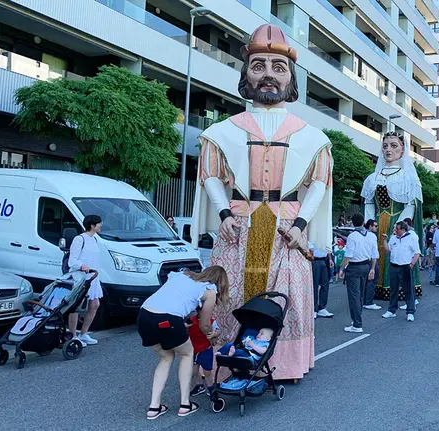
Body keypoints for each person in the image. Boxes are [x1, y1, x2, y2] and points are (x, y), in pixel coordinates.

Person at [190, 24, 332, 381]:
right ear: (246, 74)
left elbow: (319, 183)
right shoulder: (222, 131)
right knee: (231, 296)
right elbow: (210, 175)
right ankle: (229, 362)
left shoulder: (313, 137)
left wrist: (301, 227)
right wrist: (223, 214)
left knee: (285, 297)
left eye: (278, 67)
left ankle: (283, 365)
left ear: (291, 79)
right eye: (259, 66)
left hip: (286, 230)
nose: (268, 74)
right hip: (238, 225)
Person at [138, 266, 229, 419]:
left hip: (144, 316)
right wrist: (212, 337)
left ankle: (154, 407)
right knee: (187, 354)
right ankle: (185, 404)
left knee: (166, 357)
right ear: (221, 283)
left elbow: (170, 298)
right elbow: (205, 325)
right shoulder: (210, 290)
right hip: (169, 319)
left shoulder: (182, 275)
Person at [361, 131, 424, 302]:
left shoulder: (407, 177)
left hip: (397, 222)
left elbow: (411, 204)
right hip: (377, 223)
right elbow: (368, 203)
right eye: (385, 146)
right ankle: (375, 289)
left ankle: (402, 292)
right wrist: (369, 225)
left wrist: (399, 227)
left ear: (403, 150)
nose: (389, 150)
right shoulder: (372, 178)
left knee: (397, 257)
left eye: (394, 146)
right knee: (376, 254)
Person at [67, 214, 104, 347]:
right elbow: (72, 260)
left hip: (93, 278)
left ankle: (83, 333)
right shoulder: (79, 239)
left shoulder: (94, 240)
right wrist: (82, 265)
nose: (101, 225)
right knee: (76, 306)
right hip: (81, 278)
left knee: (94, 305)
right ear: (92, 225)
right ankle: (73, 336)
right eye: (99, 223)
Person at [338, 214, 378, 333]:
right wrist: (372, 269)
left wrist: (341, 268)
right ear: (363, 222)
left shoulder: (352, 236)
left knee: (354, 296)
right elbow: (374, 254)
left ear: (353, 223)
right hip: (366, 265)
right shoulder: (371, 236)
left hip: (355, 267)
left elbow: (348, 255)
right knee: (360, 295)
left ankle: (357, 324)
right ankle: (357, 320)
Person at [381, 221, 421, 322]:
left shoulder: (411, 237)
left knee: (408, 290)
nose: (395, 230)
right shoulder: (393, 238)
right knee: (393, 289)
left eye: (397, 229)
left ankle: (410, 311)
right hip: (394, 266)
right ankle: (391, 310)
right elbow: (387, 250)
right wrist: (384, 240)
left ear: (403, 230)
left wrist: (411, 264)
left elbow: (417, 253)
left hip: (405, 267)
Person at [186, 312, 220, 397]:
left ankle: (211, 388)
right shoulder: (191, 320)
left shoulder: (211, 321)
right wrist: (185, 326)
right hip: (193, 349)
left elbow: (218, 330)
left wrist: (214, 334)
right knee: (193, 371)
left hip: (205, 350)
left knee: (207, 372)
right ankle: (199, 385)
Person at [309, 240, 334, 319]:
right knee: (314, 285)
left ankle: (322, 308)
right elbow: (310, 248)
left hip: (324, 260)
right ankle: (313, 309)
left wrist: (330, 259)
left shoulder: (324, 234)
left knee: (325, 285)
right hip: (314, 260)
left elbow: (328, 247)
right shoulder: (312, 234)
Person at [362, 219, 382, 310]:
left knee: (365, 282)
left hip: (363, 261)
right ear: (370, 226)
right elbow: (374, 251)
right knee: (372, 280)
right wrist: (374, 266)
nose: (376, 228)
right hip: (371, 260)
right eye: (375, 226)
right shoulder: (372, 236)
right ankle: (368, 302)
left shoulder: (360, 234)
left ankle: (363, 300)